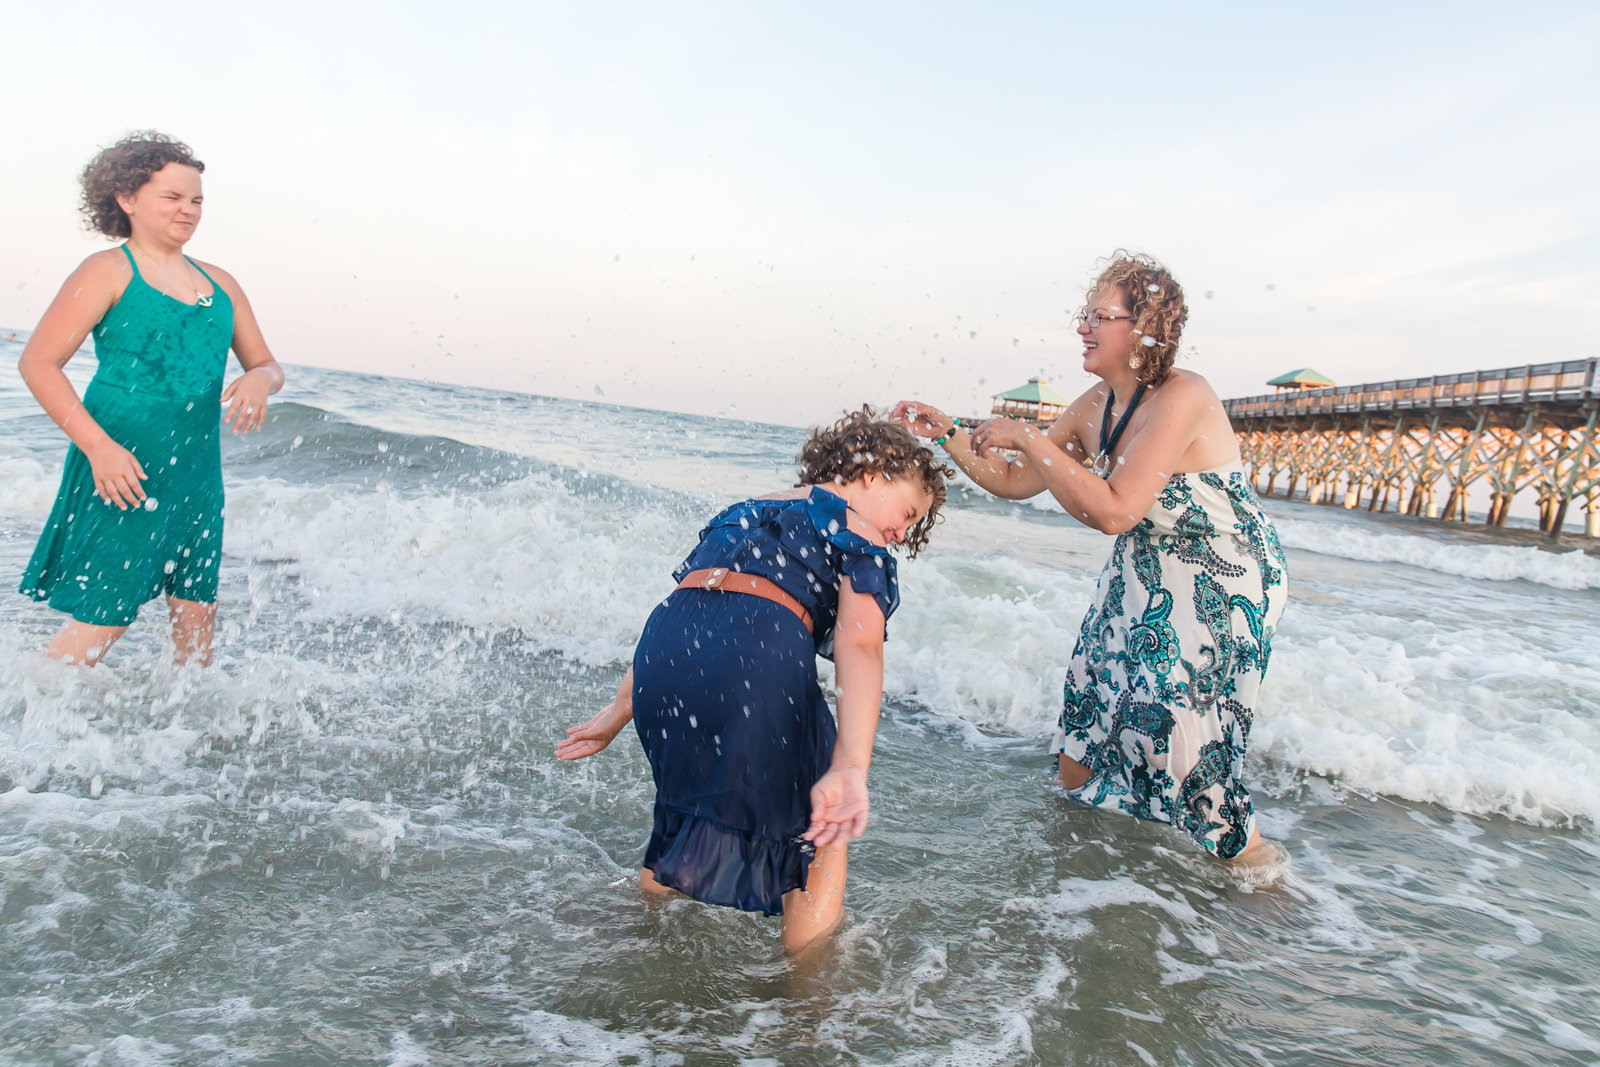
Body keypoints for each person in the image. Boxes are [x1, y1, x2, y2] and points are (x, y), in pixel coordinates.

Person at [893, 252, 1289, 868]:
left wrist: (1027, 433)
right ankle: (1098, 870)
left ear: (1144, 329)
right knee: (1086, 727)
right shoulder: (1097, 402)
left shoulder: (1184, 396)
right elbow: (1018, 479)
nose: (1083, 326)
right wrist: (947, 432)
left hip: (1221, 575)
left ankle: (1265, 883)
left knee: (1184, 750)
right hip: (1144, 564)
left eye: (1099, 315)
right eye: (1085, 313)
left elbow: (1114, 510)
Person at [557, 410, 952, 952]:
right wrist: (851, 767)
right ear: (872, 473)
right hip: (751, 664)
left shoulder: (747, 507)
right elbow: (859, 642)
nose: (901, 534)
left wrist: (620, 708)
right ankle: (808, 999)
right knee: (823, 827)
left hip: (663, 661)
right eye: (907, 512)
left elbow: (695, 603)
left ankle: (633, 927)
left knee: (685, 810)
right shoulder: (856, 528)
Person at [16, 132, 284, 666]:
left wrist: (260, 380)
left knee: (196, 610)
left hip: (195, 472)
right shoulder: (107, 271)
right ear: (127, 199)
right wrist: (98, 449)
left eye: (197, 200)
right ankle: (30, 724)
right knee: (106, 613)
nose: (188, 210)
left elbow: (267, 364)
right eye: (173, 197)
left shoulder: (222, 282)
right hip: (120, 462)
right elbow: (38, 363)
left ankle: (185, 734)